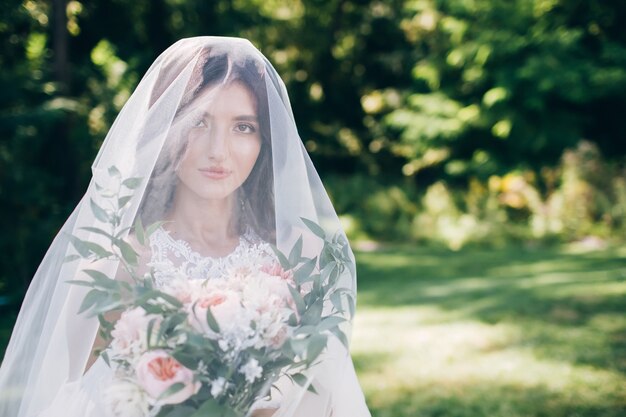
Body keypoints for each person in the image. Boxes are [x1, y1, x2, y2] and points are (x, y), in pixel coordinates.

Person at [0, 37, 371, 417]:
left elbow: (328, 392)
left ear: (264, 139)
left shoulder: (296, 259)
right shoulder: (118, 266)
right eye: (199, 122)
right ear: (166, 130)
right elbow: (81, 403)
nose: (218, 150)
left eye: (242, 127)